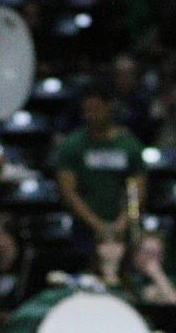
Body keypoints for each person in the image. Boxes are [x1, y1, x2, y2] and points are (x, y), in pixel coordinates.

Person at [51, 83, 146, 249]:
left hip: (122, 230)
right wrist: (97, 225)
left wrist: (123, 222)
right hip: (85, 230)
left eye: (96, 109)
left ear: (109, 107)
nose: (90, 115)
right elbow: (68, 192)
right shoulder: (72, 145)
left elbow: (136, 191)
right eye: (86, 110)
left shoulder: (129, 146)